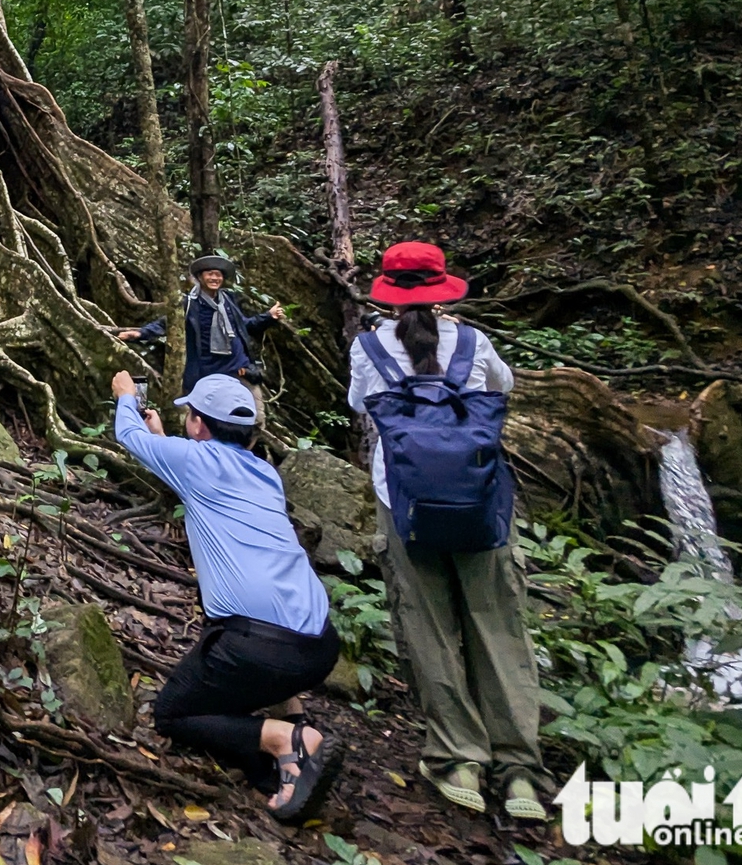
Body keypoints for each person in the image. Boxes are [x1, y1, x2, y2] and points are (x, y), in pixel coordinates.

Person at [348, 241, 544, 821]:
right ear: (441, 291)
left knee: (429, 626)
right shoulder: (474, 342)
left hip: (403, 502)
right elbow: (502, 388)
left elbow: (362, 405)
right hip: (482, 505)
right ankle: (521, 772)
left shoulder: (368, 347)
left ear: (385, 290)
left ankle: (458, 759)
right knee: (497, 624)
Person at [111, 369, 346, 823]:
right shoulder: (265, 474)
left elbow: (128, 433)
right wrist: (166, 439)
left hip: (258, 648)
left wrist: (125, 396)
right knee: (257, 643)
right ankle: (293, 735)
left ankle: (288, 741)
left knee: (172, 714)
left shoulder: (194, 461)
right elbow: (206, 482)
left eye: (190, 416)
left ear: (198, 424)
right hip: (319, 647)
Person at [118, 255, 286, 395]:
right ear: (200, 277)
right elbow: (166, 324)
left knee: (254, 420)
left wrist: (268, 317)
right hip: (208, 374)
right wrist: (140, 334)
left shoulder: (228, 300)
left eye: (218, 275)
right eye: (210, 274)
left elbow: (244, 326)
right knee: (213, 420)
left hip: (240, 371)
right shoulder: (190, 304)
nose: (215, 278)